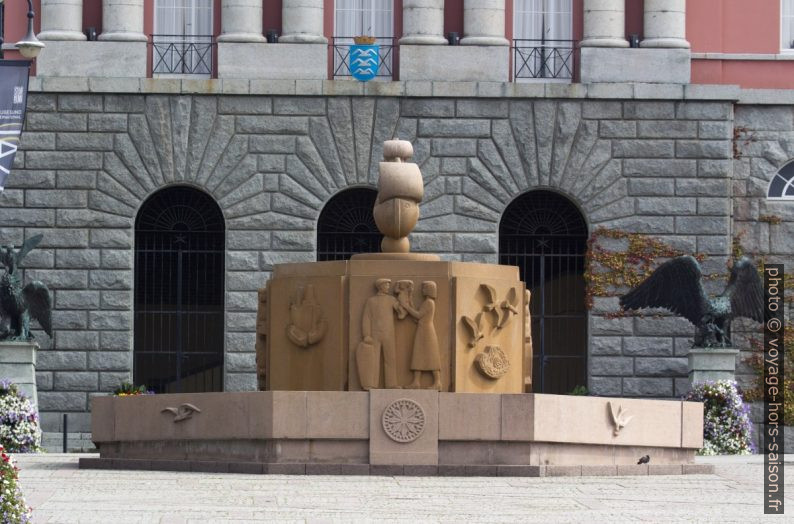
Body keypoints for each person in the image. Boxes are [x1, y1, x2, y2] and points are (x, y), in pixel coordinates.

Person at [361, 278, 402, 389]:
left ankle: (391, 384)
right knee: (374, 359)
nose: (388, 287)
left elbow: (401, 312)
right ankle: (372, 384)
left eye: (389, 285)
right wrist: (366, 335)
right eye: (386, 285)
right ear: (380, 286)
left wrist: (402, 295)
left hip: (389, 333)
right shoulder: (371, 301)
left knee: (390, 358)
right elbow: (366, 318)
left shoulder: (391, 299)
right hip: (374, 334)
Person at [403, 281, 442, 390]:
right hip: (422, 330)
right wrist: (410, 303)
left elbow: (418, 315)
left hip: (427, 331)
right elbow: (417, 317)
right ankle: (416, 382)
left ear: (429, 289)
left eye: (424, 288)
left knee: (431, 356)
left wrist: (406, 307)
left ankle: (437, 382)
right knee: (418, 354)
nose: (422, 290)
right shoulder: (427, 302)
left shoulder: (429, 302)